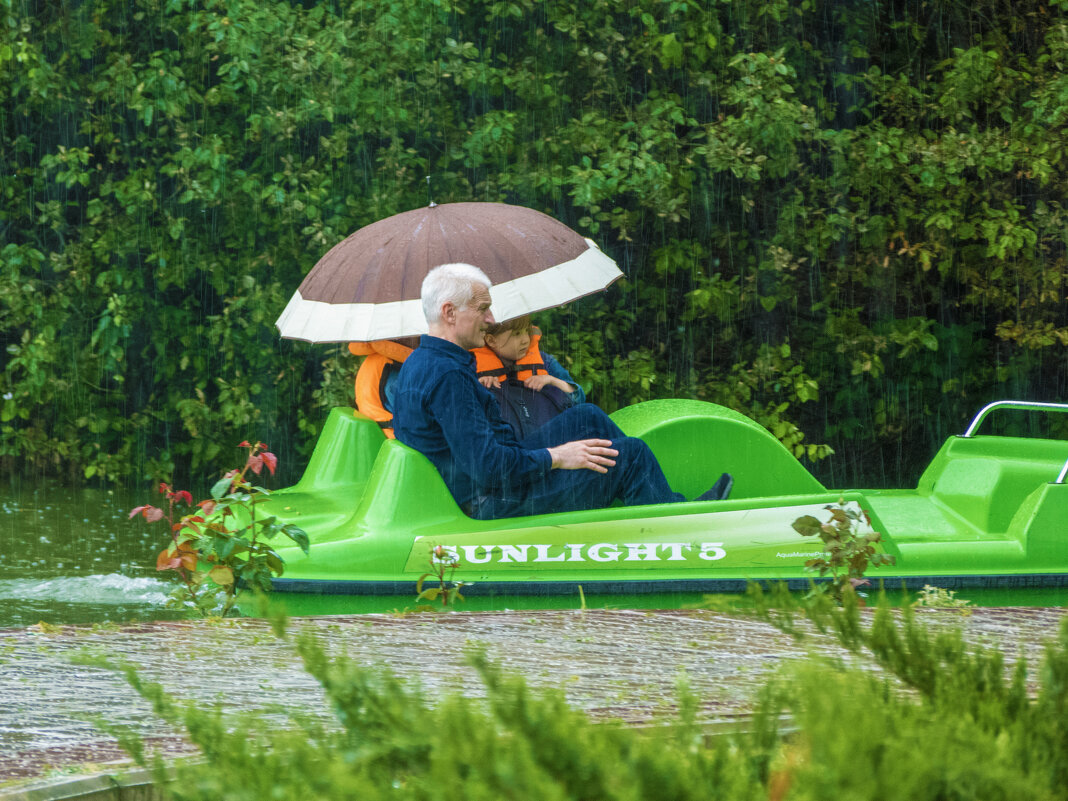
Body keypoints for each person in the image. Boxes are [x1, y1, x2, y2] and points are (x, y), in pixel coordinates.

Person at [391, 262, 731, 520]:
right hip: (488, 499)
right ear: (449, 312)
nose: (491, 318)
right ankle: (674, 523)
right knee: (631, 457)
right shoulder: (448, 375)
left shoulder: (423, 361)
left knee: (586, 417)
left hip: (485, 482)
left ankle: (658, 502)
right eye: (482, 309)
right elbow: (489, 468)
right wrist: (557, 457)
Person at [472, 315, 584, 440]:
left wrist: (552, 380)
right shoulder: (473, 369)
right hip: (515, 449)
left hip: (555, 438)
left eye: (527, 331)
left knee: (590, 412)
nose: (525, 339)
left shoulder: (545, 362)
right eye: (516, 334)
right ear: (491, 340)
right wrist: (478, 386)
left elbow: (579, 399)